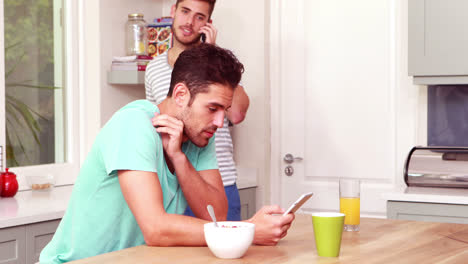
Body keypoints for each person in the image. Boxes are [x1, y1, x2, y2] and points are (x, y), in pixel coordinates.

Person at [39, 44, 294, 264]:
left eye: (224, 110)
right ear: (181, 95)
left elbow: (216, 215)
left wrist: (180, 159)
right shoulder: (133, 125)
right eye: (213, 108)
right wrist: (246, 230)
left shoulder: (199, 135)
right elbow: (155, 229)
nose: (219, 121)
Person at [145, 0, 249, 220]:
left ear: (208, 24)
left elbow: (237, 114)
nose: (189, 22)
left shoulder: (220, 67)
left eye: (199, 17)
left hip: (218, 179)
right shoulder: (153, 68)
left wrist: (212, 54)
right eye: (185, 12)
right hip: (173, 183)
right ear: (173, 12)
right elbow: (154, 120)